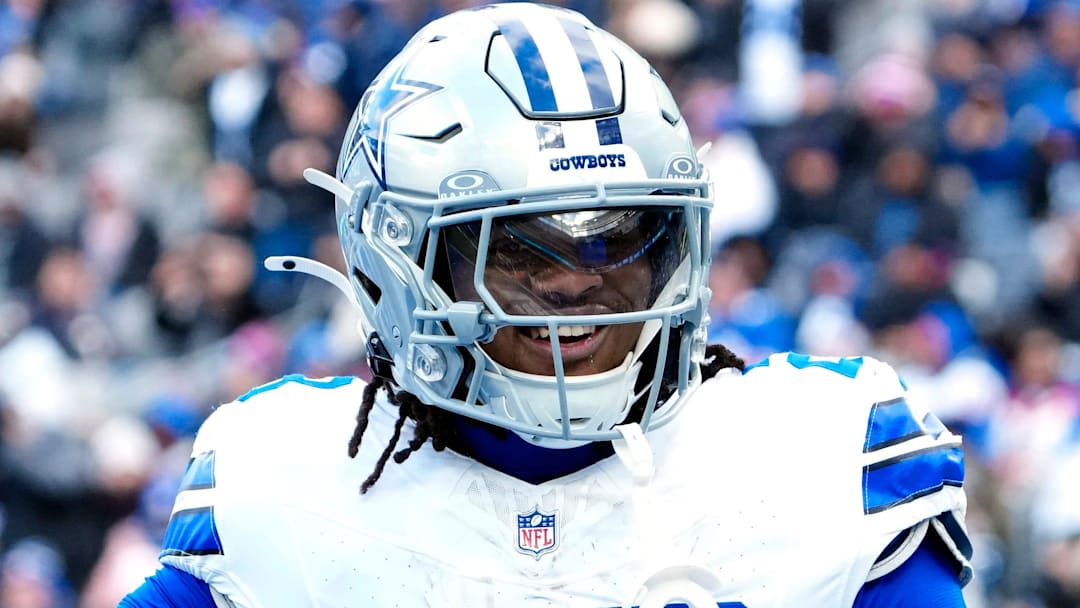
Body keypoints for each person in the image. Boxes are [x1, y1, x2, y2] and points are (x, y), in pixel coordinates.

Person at [120, 3, 972, 606]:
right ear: (400, 260)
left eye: (618, 238)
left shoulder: (812, 457)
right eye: (520, 249)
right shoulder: (287, 485)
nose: (573, 284)